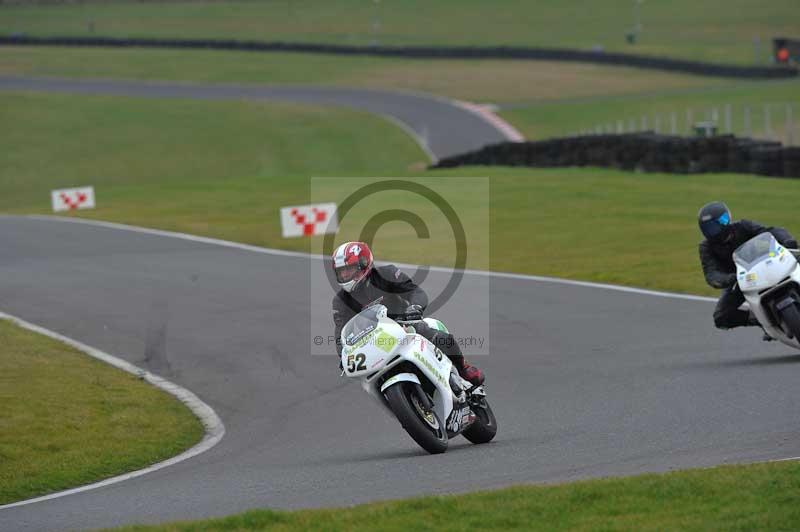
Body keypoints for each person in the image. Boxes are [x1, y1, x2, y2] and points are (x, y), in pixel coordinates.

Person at [330, 241, 484, 385]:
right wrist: (343, 354)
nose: (344, 276)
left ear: (364, 265)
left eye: (349, 270)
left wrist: (415, 307)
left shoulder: (387, 274)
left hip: (404, 325)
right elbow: (341, 332)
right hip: (373, 341)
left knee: (439, 337)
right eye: (341, 272)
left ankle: (463, 369)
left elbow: (414, 291)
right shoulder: (340, 301)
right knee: (370, 380)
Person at [698, 201, 798, 330]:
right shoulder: (706, 247)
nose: (714, 231)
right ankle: (761, 320)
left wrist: (786, 240)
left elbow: (769, 231)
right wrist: (729, 279)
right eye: (710, 228)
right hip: (740, 280)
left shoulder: (743, 226)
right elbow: (711, 274)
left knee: (796, 257)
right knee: (721, 317)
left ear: (725, 220)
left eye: (716, 225)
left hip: (766, 264)